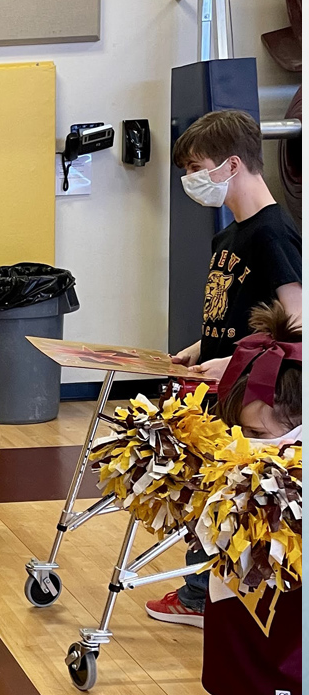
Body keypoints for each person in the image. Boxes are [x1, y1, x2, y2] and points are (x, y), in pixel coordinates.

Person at [146, 109, 302, 628]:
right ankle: (202, 592)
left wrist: (235, 363)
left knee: (235, 500)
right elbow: (237, 314)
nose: (191, 178)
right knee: (210, 495)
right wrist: (198, 347)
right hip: (219, 388)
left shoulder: (273, 232)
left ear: (233, 164)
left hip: (254, 396)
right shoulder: (228, 236)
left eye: (197, 165)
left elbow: (296, 325)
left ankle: (206, 597)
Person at [199, 303, 300, 695]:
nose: (247, 452)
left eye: (262, 438)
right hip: (241, 671)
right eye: (237, 433)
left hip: (287, 682)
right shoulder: (229, 488)